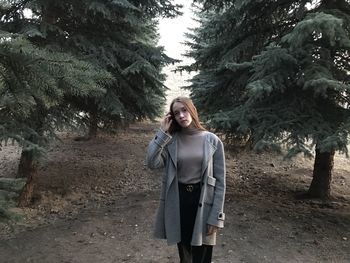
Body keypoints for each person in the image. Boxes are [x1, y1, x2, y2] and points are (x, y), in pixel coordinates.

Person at [146, 96, 226, 263]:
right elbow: (152, 163)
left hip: (203, 201)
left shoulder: (212, 140)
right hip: (178, 201)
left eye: (184, 110)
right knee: (185, 254)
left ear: (192, 111)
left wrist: (216, 217)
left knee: (202, 254)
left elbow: (220, 183)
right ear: (172, 117)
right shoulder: (171, 141)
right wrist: (162, 133)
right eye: (176, 113)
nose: (181, 115)